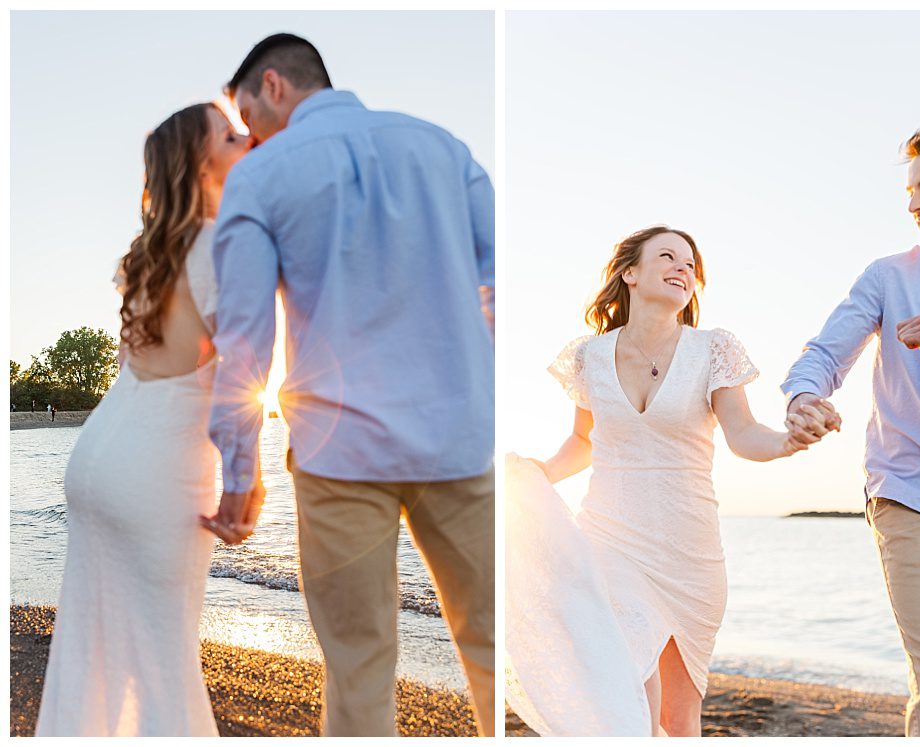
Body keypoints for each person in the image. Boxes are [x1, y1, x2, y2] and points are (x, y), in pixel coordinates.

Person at [199, 34, 495, 737]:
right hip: (457, 439)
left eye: (244, 112)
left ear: (272, 85)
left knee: (359, 661)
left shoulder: (260, 177)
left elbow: (246, 339)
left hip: (339, 454)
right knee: (489, 642)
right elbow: (498, 281)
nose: (246, 134)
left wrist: (241, 472)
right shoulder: (444, 148)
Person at [505, 226, 835, 737]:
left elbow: (744, 435)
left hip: (690, 554)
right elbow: (584, 443)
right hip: (608, 537)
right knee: (631, 687)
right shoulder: (588, 357)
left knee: (678, 721)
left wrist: (788, 442)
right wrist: (535, 473)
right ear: (629, 273)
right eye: (668, 256)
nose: (684, 268)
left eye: (691, 263)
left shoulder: (714, 349)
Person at [35, 103, 252, 736]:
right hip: (159, 472)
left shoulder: (146, 256)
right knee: (162, 665)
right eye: (231, 135)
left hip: (98, 457)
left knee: (90, 653)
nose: (247, 140)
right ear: (201, 164)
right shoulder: (226, 247)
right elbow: (241, 377)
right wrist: (244, 481)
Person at [781, 127, 920, 737]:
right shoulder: (887, 276)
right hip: (910, 495)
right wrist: (804, 398)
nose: (914, 203)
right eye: (909, 190)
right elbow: (824, 353)